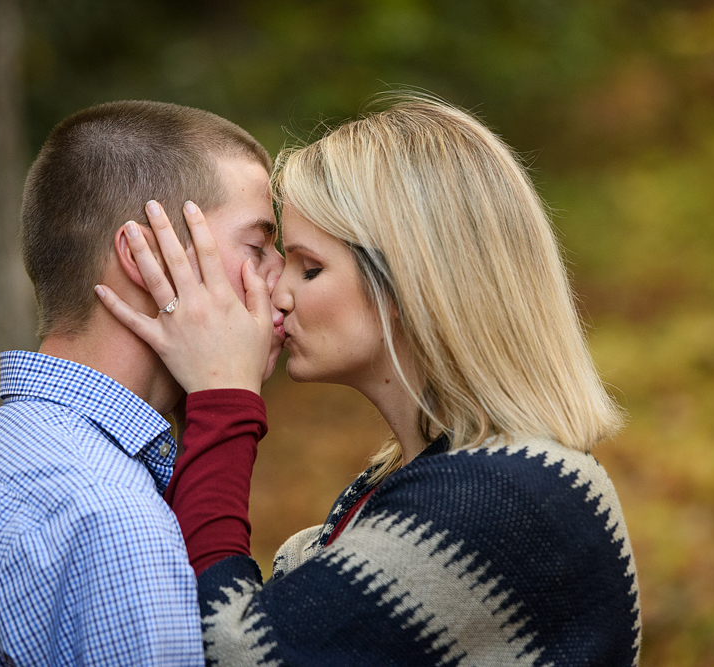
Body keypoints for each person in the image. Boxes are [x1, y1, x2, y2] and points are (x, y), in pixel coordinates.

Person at [99, 95, 642, 665]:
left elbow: (231, 651)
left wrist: (222, 399)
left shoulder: (499, 498)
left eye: (309, 268)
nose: (278, 294)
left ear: (408, 284)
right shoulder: (443, 476)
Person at [0, 100, 285, 665]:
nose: (280, 281)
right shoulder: (111, 521)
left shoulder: (23, 438)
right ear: (146, 261)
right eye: (259, 248)